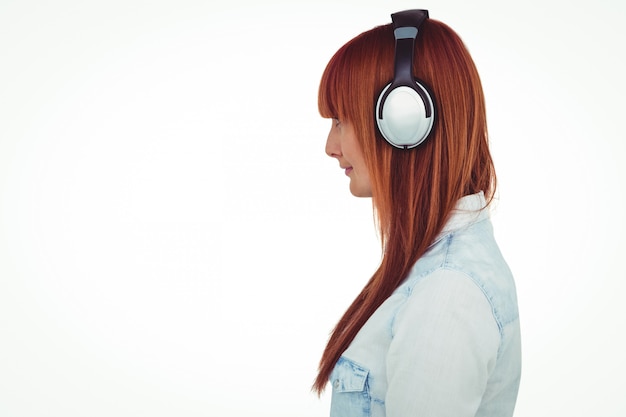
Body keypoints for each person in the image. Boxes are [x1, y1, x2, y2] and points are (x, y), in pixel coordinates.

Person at [313, 9, 521, 417]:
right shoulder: (437, 266)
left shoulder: (447, 296)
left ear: (402, 121)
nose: (329, 146)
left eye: (341, 120)